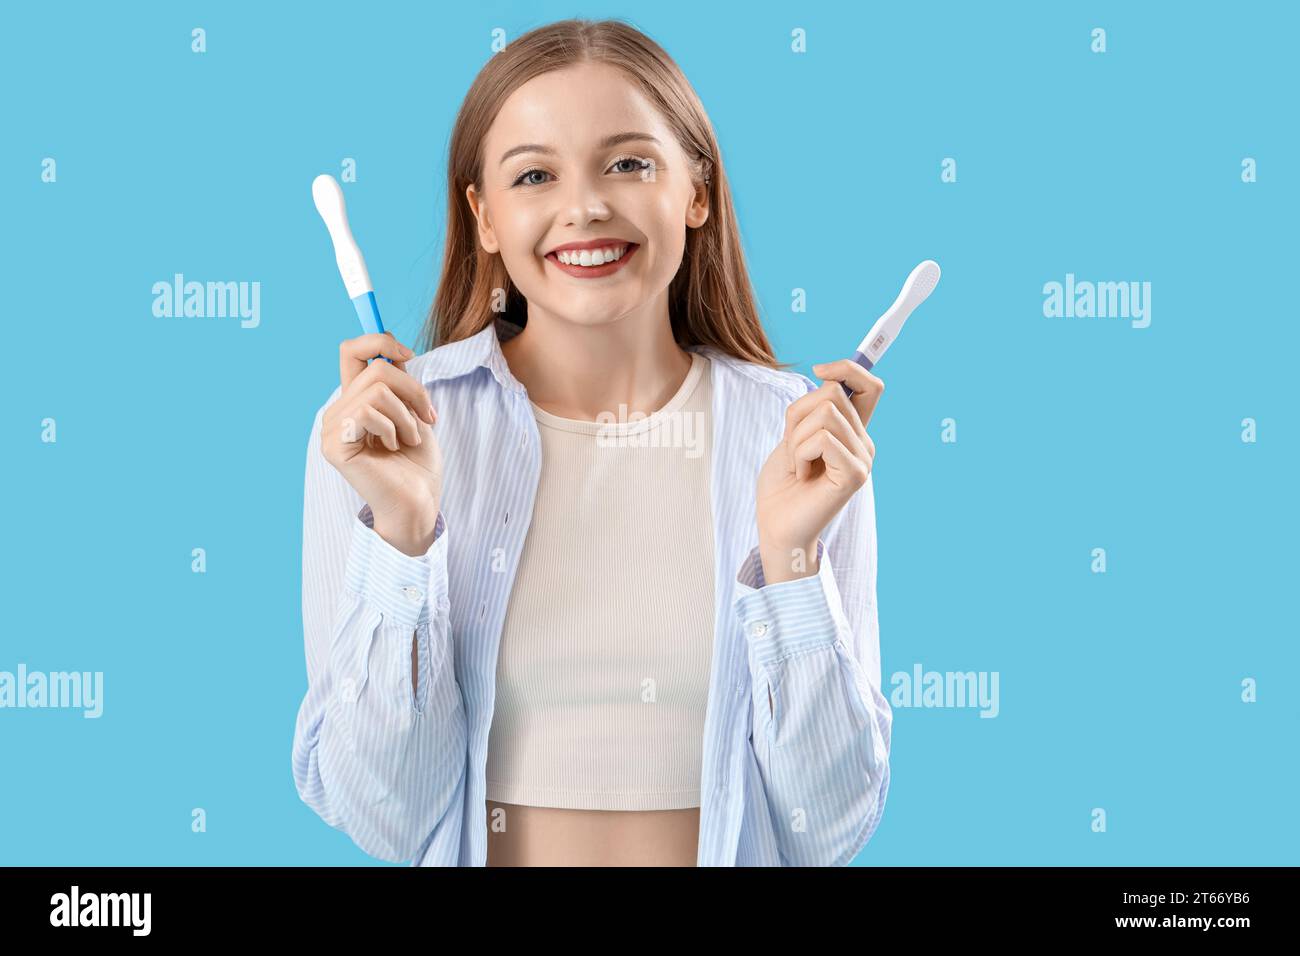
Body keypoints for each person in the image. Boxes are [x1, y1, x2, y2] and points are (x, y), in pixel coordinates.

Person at [292, 17, 891, 867]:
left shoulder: (797, 439)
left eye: (629, 163)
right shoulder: (382, 436)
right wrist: (402, 540)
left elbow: (826, 827)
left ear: (697, 192)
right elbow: (382, 817)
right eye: (534, 174)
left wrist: (791, 561)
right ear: (485, 216)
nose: (584, 207)